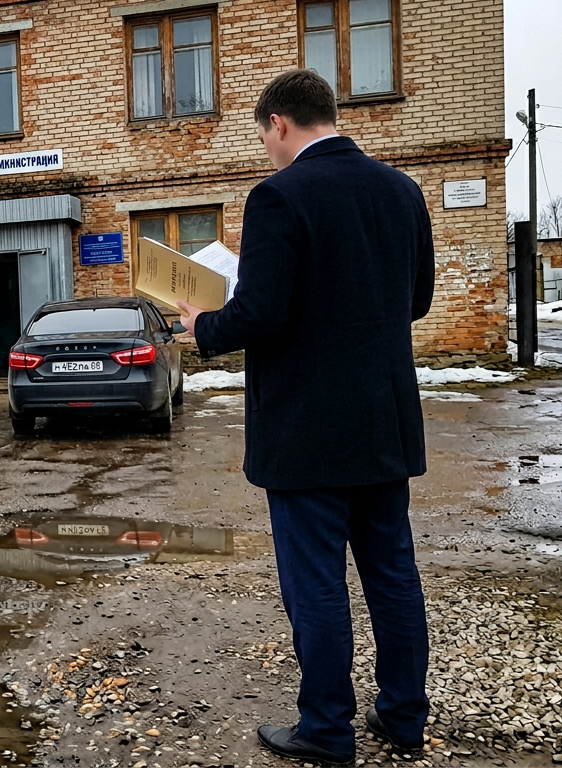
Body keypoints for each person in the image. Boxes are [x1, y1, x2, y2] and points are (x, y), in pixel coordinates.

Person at [175, 69, 435, 766]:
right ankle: (404, 716)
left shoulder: (279, 196)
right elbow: (417, 300)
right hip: (384, 422)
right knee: (392, 573)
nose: (267, 148)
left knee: (316, 581)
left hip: (306, 431)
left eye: (264, 136)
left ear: (279, 123)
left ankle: (326, 729)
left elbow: (260, 313)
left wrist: (203, 324)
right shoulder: (402, 191)